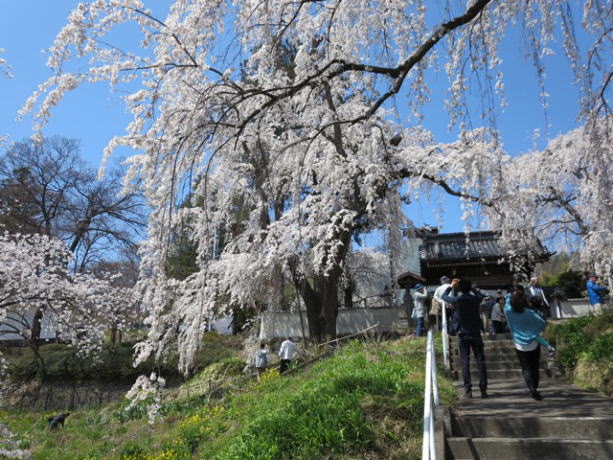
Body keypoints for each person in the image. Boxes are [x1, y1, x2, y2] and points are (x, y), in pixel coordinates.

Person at [442, 278, 488, 399]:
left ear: (460, 288)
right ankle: (483, 388)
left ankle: (468, 390)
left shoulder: (457, 300)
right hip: (476, 332)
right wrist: (472, 288)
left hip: (463, 333)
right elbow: (480, 295)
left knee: (465, 361)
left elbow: (443, 296)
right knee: (480, 360)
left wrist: (451, 286)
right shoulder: (475, 299)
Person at [504, 289, 552, 401]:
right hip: (533, 342)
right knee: (534, 367)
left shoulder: (508, 311)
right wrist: (535, 331)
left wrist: (510, 294)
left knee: (525, 367)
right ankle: (535, 387)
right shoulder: (529, 313)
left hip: (519, 343)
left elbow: (507, 301)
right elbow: (542, 323)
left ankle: (531, 389)